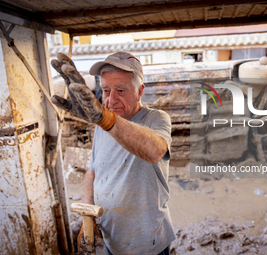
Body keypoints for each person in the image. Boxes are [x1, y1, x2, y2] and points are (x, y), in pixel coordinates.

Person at [51, 52, 175, 255]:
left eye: (121, 90)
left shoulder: (156, 119)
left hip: (147, 242)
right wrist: (87, 217)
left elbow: (155, 151)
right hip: (113, 238)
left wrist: (105, 119)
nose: (111, 99)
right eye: (106, 90)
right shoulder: (103, 125)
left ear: (140, 91)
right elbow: (92, 172)